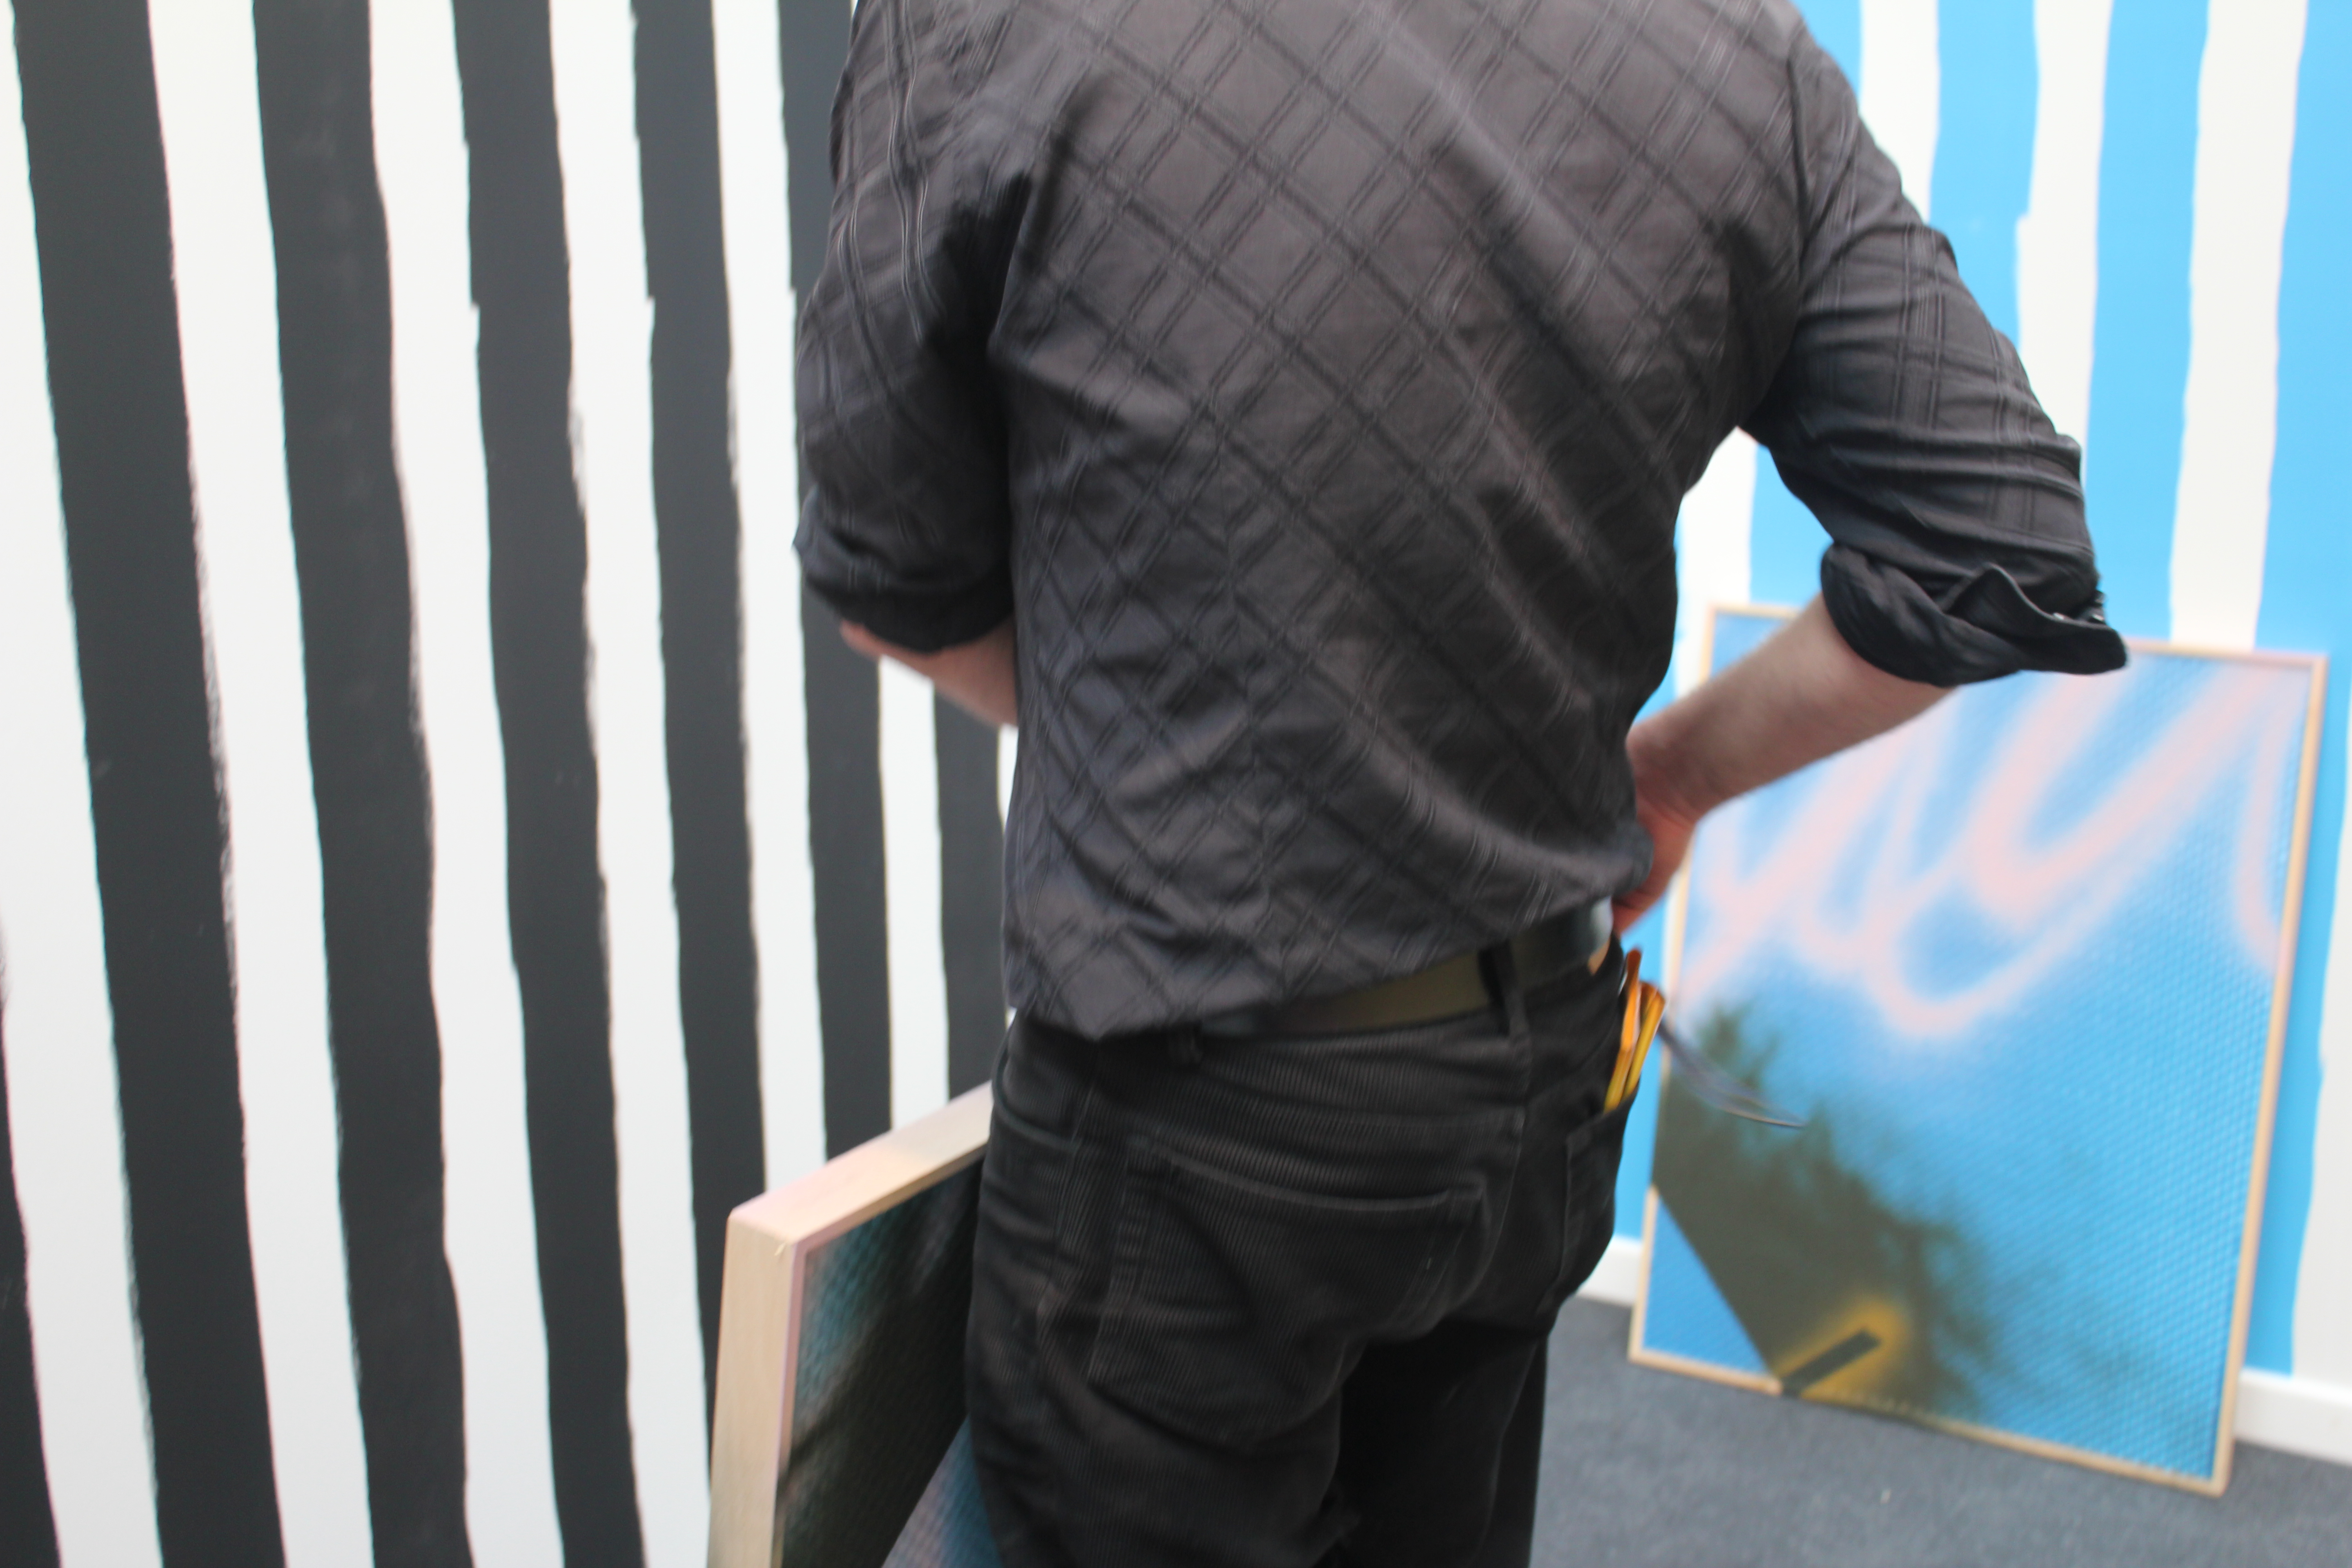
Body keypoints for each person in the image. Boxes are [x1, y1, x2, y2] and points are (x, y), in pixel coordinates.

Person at [794, 0, 2126, 1561]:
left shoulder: (986, 23)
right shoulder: (1728, 49)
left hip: (1199, 1130)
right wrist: (1675, 779)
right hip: (1533, 1086)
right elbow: (1997, 551)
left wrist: (1170, 728)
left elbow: (890, 571)